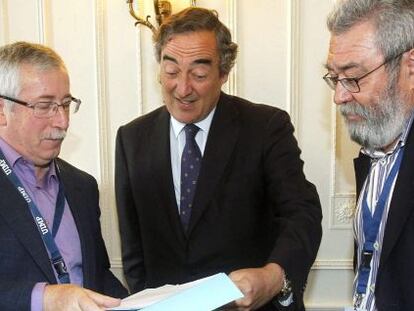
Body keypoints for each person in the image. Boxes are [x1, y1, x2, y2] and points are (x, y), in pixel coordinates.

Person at [115, 7, 322, 311]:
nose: (183, 88)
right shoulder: (131, 138)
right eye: (171, 71)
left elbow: (301, 213)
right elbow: (134, 249)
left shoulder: (265, 127)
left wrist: (273, 276)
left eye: (198, 74)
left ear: (224, 73)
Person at [0, 41, 128, 311]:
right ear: (2, 111)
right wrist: (44, 299)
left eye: (66, 104)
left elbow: (98, 277)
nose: (62, 122)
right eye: (45, 106)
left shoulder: (82, 186)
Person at [324, 0, 414, 310]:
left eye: (353, 77)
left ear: (410, 66)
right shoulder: (374, 149)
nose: (339, 96)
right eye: (334, 78)